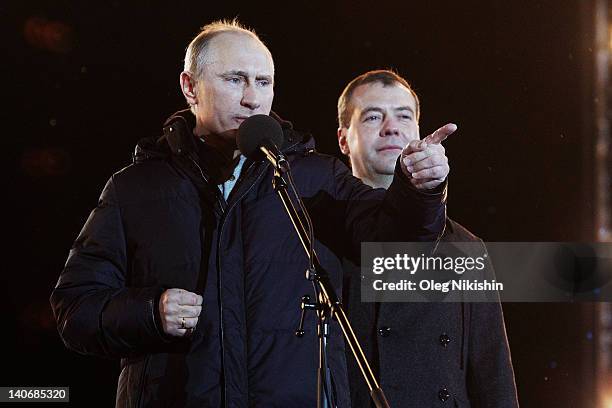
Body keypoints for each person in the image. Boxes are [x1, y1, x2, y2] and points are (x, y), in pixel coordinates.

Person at [50, 22, 451, 407]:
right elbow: (75, 309)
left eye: (263, 83)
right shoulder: (135, 189)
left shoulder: (316, 177)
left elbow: (394, 243)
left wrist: (421, 190)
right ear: (190, 88)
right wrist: (150, 312)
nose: (252, 98)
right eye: (234, 79)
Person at [337, 69, 519, 407]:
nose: (391, 127)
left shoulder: (466, 248)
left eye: (403, 116)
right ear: (343, 139)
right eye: (373, 116)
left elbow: (492, 376)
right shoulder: (316, 237)